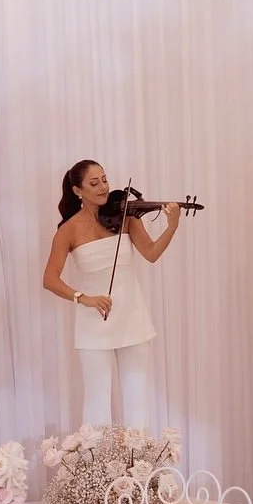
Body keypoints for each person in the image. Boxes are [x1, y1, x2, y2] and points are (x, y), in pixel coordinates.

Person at [43, 159, 182, 432]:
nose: (104, 187)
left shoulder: (125, 217)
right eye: (94, 183)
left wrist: (172, 226)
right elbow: (50, 279)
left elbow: (151, 254)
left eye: (105, 180)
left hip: (133, 317)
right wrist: (84, 297)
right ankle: (98, 469)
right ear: (77, 190)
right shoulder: (68, 231)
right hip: (93, 322)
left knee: (137, 398)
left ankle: (140, 468)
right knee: (96, 400)